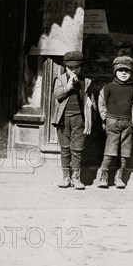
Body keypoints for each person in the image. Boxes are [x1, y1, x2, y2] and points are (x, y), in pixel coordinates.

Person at [95, 56, 133, 189]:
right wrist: (105, 118)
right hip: (112, 122)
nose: (124, 73)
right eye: (120, 70)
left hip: (128, 124)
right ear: (115, 71)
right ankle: (104, 176)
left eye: (127, 71)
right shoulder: (108, 88)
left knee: (125, 152)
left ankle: (119, 176)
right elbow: (101, 103)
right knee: (110, 150)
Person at [52, 51, 95, 190]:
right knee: (65, 148)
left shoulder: (86, 82)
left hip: (79, 119)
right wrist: (68, 87)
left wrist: (90, 107)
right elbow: (57, 95)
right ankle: (66, 177)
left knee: (77, 149)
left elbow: (91, 103)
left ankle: (76, 178)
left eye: (76, 67)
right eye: (70, 68)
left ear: (81, 67)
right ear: (65, 67)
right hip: (63, 119)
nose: (73, 70)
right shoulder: (60, 79)